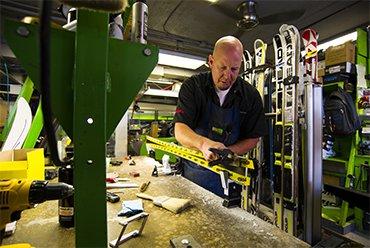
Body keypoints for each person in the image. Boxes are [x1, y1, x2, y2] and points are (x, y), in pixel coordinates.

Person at [173, 36, 267, 197]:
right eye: (222, 67)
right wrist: (203, 144)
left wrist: (227, 152)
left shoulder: (250, 96)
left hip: (230, 174)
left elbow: (253, 138)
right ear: (211, 61)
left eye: (234, 69)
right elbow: (180, 129)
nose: (227, 75)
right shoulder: (193, 87)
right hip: (193, 172)